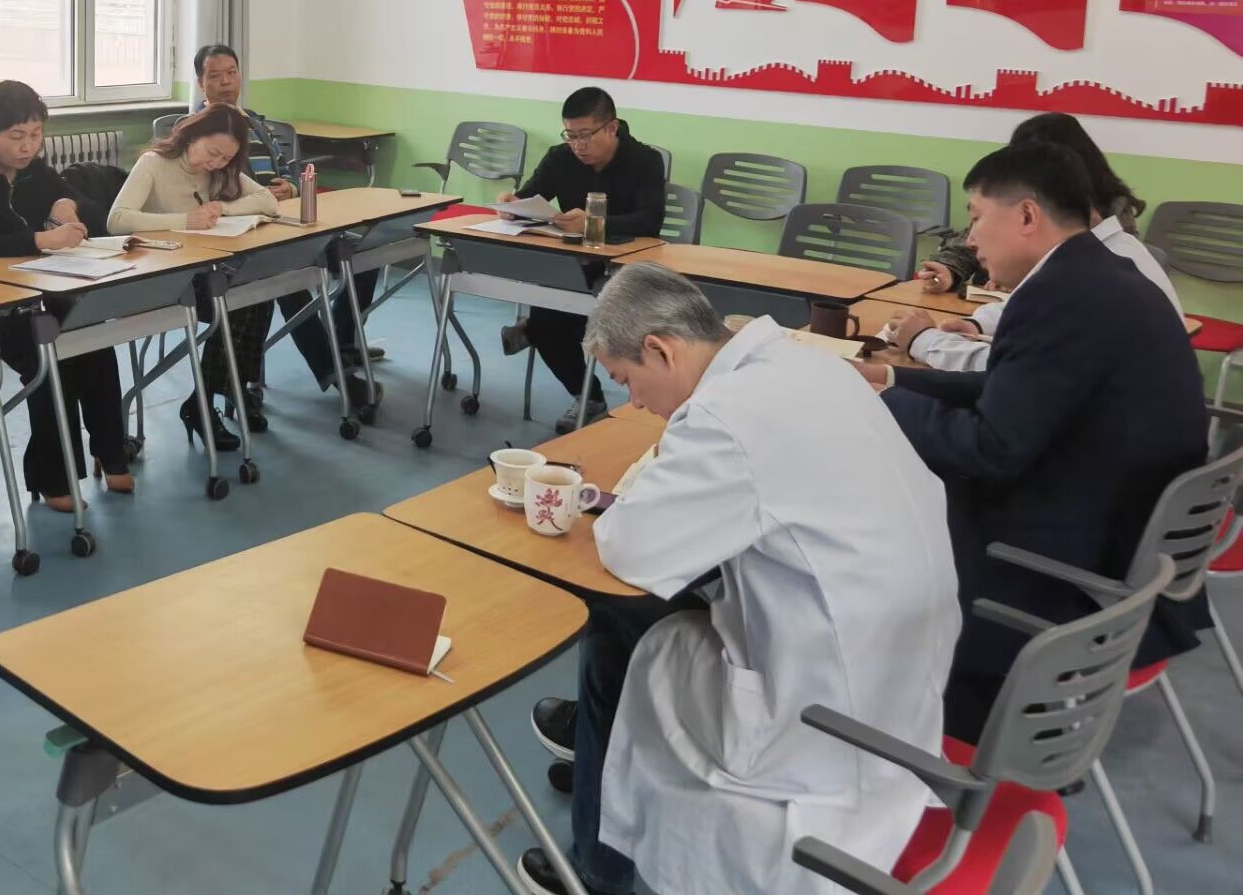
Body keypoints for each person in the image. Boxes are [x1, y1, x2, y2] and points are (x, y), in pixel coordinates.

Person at [515, 263, 957, 895]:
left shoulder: (724, 416)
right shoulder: (810, 365)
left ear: (661, 349)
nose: (634, 403)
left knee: (614, 617)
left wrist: (654, 478)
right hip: (903, 671)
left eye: (627, 380)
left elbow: (631, 546)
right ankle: (595, 754)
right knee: (665, 606)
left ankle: (593, 870)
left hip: (824, 712)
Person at [862, 141, 1209, 740]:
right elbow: (1014, 389)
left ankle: (886, 692)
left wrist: (879, 405)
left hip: (1064, 566)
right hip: (1122, 527)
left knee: (885, 511)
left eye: (976, 217)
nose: (971, 240)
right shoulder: (1104, 276)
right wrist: (894, 379)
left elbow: (992, 447)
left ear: (1026, 215)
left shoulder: (1060, 295)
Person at [0, 81, 132, 510]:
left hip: (34, 291)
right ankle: (53, 476)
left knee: (93, 338)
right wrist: (40, 240)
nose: (27, 147)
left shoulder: (33, 170)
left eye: (36, 134)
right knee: (48, 356)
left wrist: (67, 205)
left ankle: (111, 450)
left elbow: (84, 208)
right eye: (16, 136)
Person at [892, 115, 1182, 371]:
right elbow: (1029, 309)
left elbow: (1009, 370)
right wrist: (977, 324)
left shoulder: (1093, 276)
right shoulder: (1091, 253)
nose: (971, 238)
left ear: (1031, 210)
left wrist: (924, 341)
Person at [193, 42, 376, 412]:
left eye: (232, 73)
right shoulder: (196, 132)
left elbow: (289, 169)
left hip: (285, 221)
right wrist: (258, 199)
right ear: (201, 84)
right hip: (240, 235)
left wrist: (290, 187)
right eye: (215, 76)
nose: (226, 82)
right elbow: (202, 192)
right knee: (286, 279)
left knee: (363, 253)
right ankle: (336, 375)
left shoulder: (256, 122)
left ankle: (342, 344)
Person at [108, 104, 278, 450]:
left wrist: (223, 207)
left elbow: (268, 201)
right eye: (212, 153)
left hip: (202, 268)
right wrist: (184, 220)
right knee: (231, 304)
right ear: (192, 137)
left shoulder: (221, 171)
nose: (216, 163)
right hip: (160, 274)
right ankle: (210, 400)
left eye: (226, 158)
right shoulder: (154, 164)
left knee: (258, 297)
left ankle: (220, 393)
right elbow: (117, 220)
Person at [497, 87, 666, 431]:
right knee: (547, 319)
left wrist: (594, 223)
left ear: (612, 128)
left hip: (626, 268)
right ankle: (588, 398)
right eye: (570, 135)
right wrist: (512, 205)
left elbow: (650, 221)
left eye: (585, 135)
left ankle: (532, 330)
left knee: (580, 321)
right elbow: (529, 198)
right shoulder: (560, 158)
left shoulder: (645, 161)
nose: (578, 145)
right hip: (572, 264)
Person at [913, 110, 1149, 298]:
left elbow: (1093, 277)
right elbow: (972, 242)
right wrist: (950, 271)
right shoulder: (1011, 197)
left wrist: (1020, 280)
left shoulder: (1111, 212)